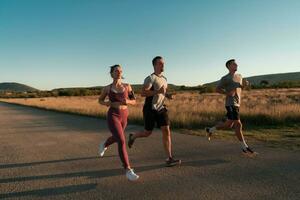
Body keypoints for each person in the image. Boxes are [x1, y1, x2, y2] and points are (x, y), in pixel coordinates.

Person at [127, 56, 181, 167]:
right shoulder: (150, 78)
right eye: (160, 63)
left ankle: (169, 158)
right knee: (147, 133)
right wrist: (158, 91)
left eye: (163, 63)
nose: (163, 65)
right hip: (150, 109)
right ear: (155, 65)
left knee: (166, 131)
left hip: (161, 108)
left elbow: (163, 92)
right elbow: (143, 93)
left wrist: (167, 95)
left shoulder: (165, 79)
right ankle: (133, 137)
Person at [205, 59, 258, 157]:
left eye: (236, 63)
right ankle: (245, 147)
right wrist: (227, 93)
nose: (237, 64)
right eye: (234, 64)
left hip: (237, 103)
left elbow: (241, 87)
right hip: (230, 103)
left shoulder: (239, 76)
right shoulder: (225, 78)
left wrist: (246, 85)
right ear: (229, 66)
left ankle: (210, 130)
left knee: (229, 125)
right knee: (238, 124)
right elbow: (217, 89)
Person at [98, 64, 139, 181]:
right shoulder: (107, 88)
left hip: (124, 116)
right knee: (121, 140)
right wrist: (107, 103)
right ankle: (128, 170)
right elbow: (100, 100)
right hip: (113, 115)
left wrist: (127, 101)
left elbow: (134, 101)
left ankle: (105, 144)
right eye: (116, 70)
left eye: (120, 70)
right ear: (112, 74)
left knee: (117, 138)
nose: (119, 72)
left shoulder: (128, 86)